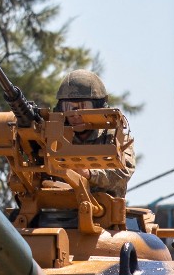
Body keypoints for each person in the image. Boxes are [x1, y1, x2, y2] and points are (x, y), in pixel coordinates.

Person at [57, 70, 136, 199]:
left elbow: (123, 173)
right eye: (69, 107)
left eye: (83, 106)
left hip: (106, 212)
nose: (76, 114)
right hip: (58, 210)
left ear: (98, 107)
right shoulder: (55, 136)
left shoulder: (114, 135)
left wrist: (89, 174)